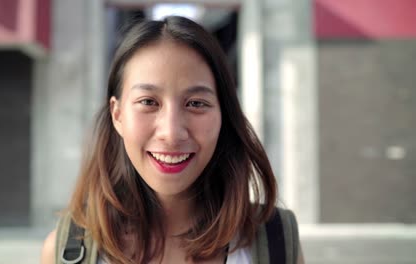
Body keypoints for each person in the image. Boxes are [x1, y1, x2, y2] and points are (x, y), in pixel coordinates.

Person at [41, 16, 304, 264]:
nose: (172, 132)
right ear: (117, 115)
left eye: (196, 103)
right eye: (148, 102)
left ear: (224, 114)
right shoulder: (67, 252)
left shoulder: (272, 243)